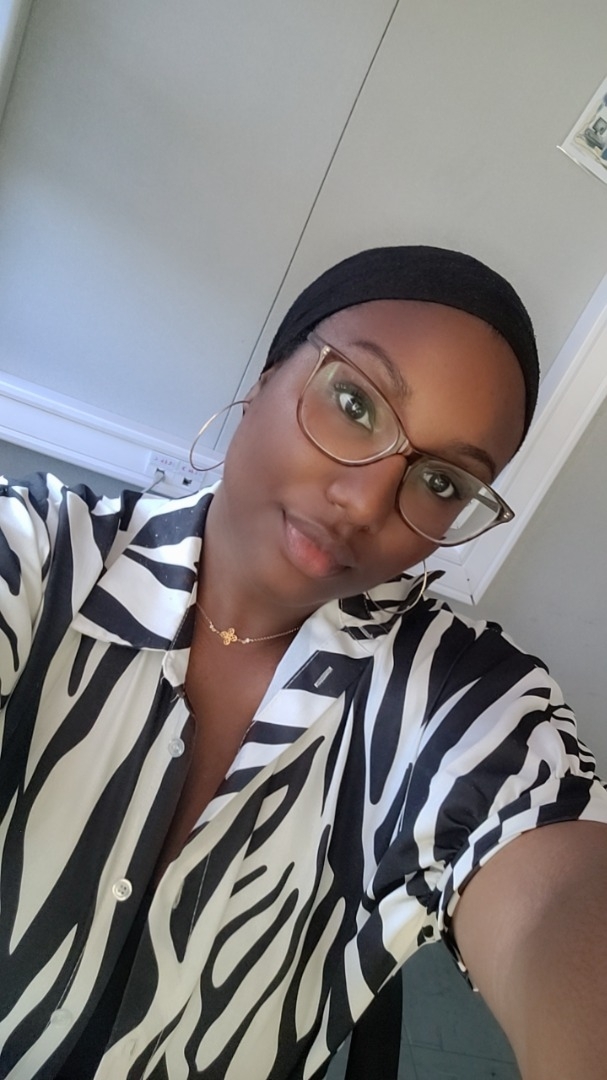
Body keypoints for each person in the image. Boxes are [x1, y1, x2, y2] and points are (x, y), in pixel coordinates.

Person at [0, 245, 605, 1080]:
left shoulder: (464, 703)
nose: (363, 502)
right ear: (267, 376)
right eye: (354, 403)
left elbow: (557, 898)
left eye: (441, 482)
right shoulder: (40, 559)